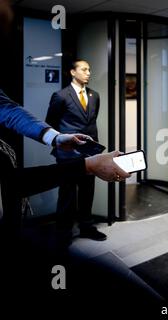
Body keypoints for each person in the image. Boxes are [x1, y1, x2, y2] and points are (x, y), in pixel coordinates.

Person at [45, 59, 105, 241]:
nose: (88, 73)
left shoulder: (95, 95)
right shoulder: (61, 96)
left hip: (90, 153)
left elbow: (90, 123)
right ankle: (64, 232)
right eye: (84, 69)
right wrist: (62, 143)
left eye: (89, 69)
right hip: (68, 154)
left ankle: (86, 227)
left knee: (88, 191)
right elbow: (51, 124)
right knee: (67, 194)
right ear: (73, 72)